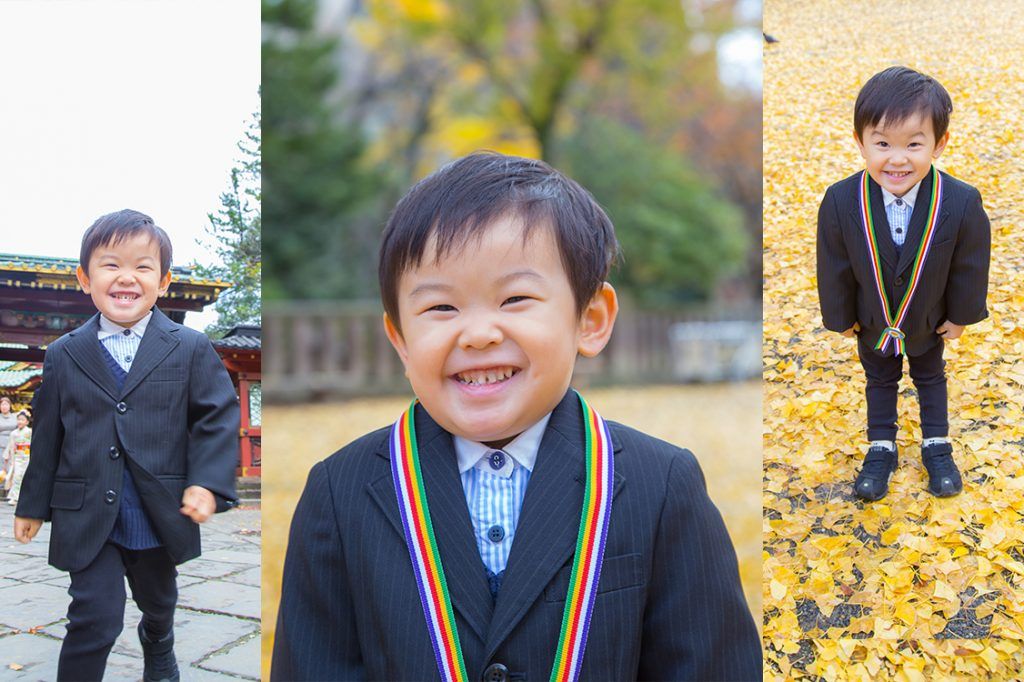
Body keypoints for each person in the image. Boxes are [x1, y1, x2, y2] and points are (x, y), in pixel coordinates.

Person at [272, 152, 761, 681]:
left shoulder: (660, 484)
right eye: (441, 308)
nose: (478, 333)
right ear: (400, 340)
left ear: (590, 320)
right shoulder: (340, 493)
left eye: (515, 297)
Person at [13, 209, 240, 682]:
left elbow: (215, 418)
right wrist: (32, 504)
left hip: (157, 508)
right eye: (111, 264)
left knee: (159, 601)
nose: (126, 278)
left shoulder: (190, 347)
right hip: (87, 510)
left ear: (163, 281)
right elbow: (48, 434)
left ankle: (159, 641)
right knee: (94, 615)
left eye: (143, 266)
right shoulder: (63, 354)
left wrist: (207, 483)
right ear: (84, 277)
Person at [817, 66, 990, 502]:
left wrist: (961, 316)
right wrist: (841, 317)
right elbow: (834, 264)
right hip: (872, 320)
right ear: (860, 143)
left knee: (931, 377)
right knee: (879, 380)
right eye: (882, 144)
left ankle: (936, 445)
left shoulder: (960, 201)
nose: (897, 159)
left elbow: (969, 263)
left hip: (930, 319)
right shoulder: (840, 201)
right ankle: (882, 446)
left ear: (939, 144)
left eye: (914, 144)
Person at [4, 409, 31, 505]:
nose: (20, 421)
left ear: (27, 421)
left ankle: (25, 497)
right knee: (16, 477)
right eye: (18, 419)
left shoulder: (29, 432)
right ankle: (15, 497)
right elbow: (10, 445)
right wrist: (7, 455)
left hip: (27, 457)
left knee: (26, 477)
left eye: (22, 420)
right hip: (17, 457)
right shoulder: (14, 433)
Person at [0, 396, 17, 498]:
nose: (4, 407)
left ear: (10, 406)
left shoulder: (15, 417)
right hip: (1, 442)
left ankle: (11, 489)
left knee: (12, 465)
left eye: (6, 404)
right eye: (2, 404)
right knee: (2, 465)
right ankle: (1, 487)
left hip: (13, 443)